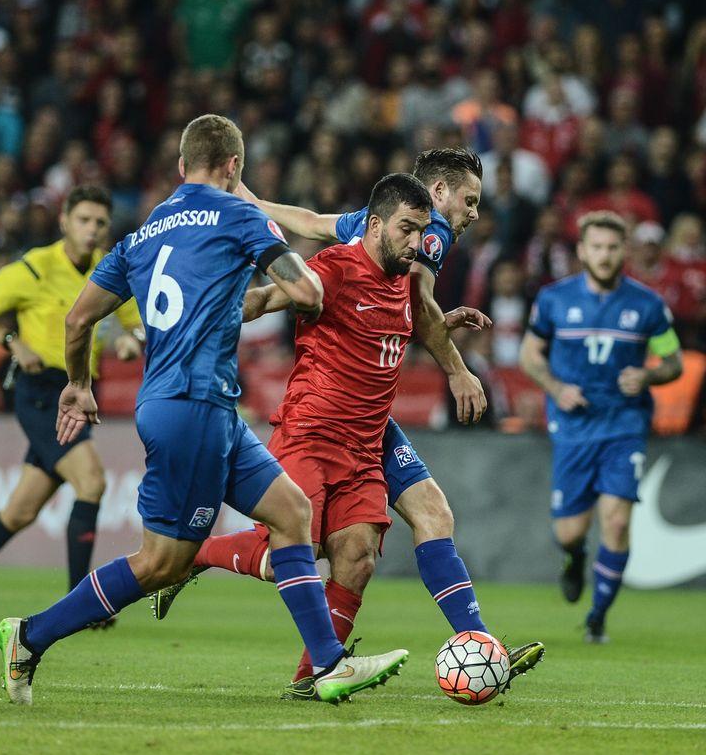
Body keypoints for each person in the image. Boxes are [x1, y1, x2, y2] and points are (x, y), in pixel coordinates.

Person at [0, 114, 408, 706]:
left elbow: (78, 319)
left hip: (194, 405)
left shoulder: (141, 235)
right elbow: (308, 291)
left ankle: (327, 664)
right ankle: (30, 635)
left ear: (182, 165)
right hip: (193, 404)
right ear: (234, 166)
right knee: (161, 563)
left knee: (291, 512)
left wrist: (79, 385)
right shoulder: (240, 215)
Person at [154, 149, 544, 697]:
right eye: (470, 200)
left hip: (370, 423)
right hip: (320, 422)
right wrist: (457, 368)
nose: (474, 213)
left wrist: (247, 198)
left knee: (383, 540)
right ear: (435, 194)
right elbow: (404, 303)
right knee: (293, 552)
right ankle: (193, 555)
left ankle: (462, 647)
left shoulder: (381, 228)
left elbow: (317, 226)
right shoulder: (424, 237)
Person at [0, 186, 144, 629]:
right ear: (64, 221)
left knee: (19, 512)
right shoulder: (34, 267)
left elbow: (134, 327)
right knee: (92, 482)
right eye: (84, 220)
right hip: (41, 392)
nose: (92, 229)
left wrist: (131, 342)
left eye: (99, 222)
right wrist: (13, 342)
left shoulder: (110, 269)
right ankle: (84, 603)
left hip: (78, 390)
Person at [519, 211, 683, 643]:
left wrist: (648, 375)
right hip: (573, 427)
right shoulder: (553, 299)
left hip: (624, 425)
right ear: (582, 250)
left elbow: (674, 362)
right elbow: (529, 355)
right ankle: (575, 558)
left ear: (623, 251)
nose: (605, 255)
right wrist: (556, 387)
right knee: (570, 532)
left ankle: (597, 617)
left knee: (617, 522)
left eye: (612, 247)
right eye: (597, 247)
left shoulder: (648, 305)